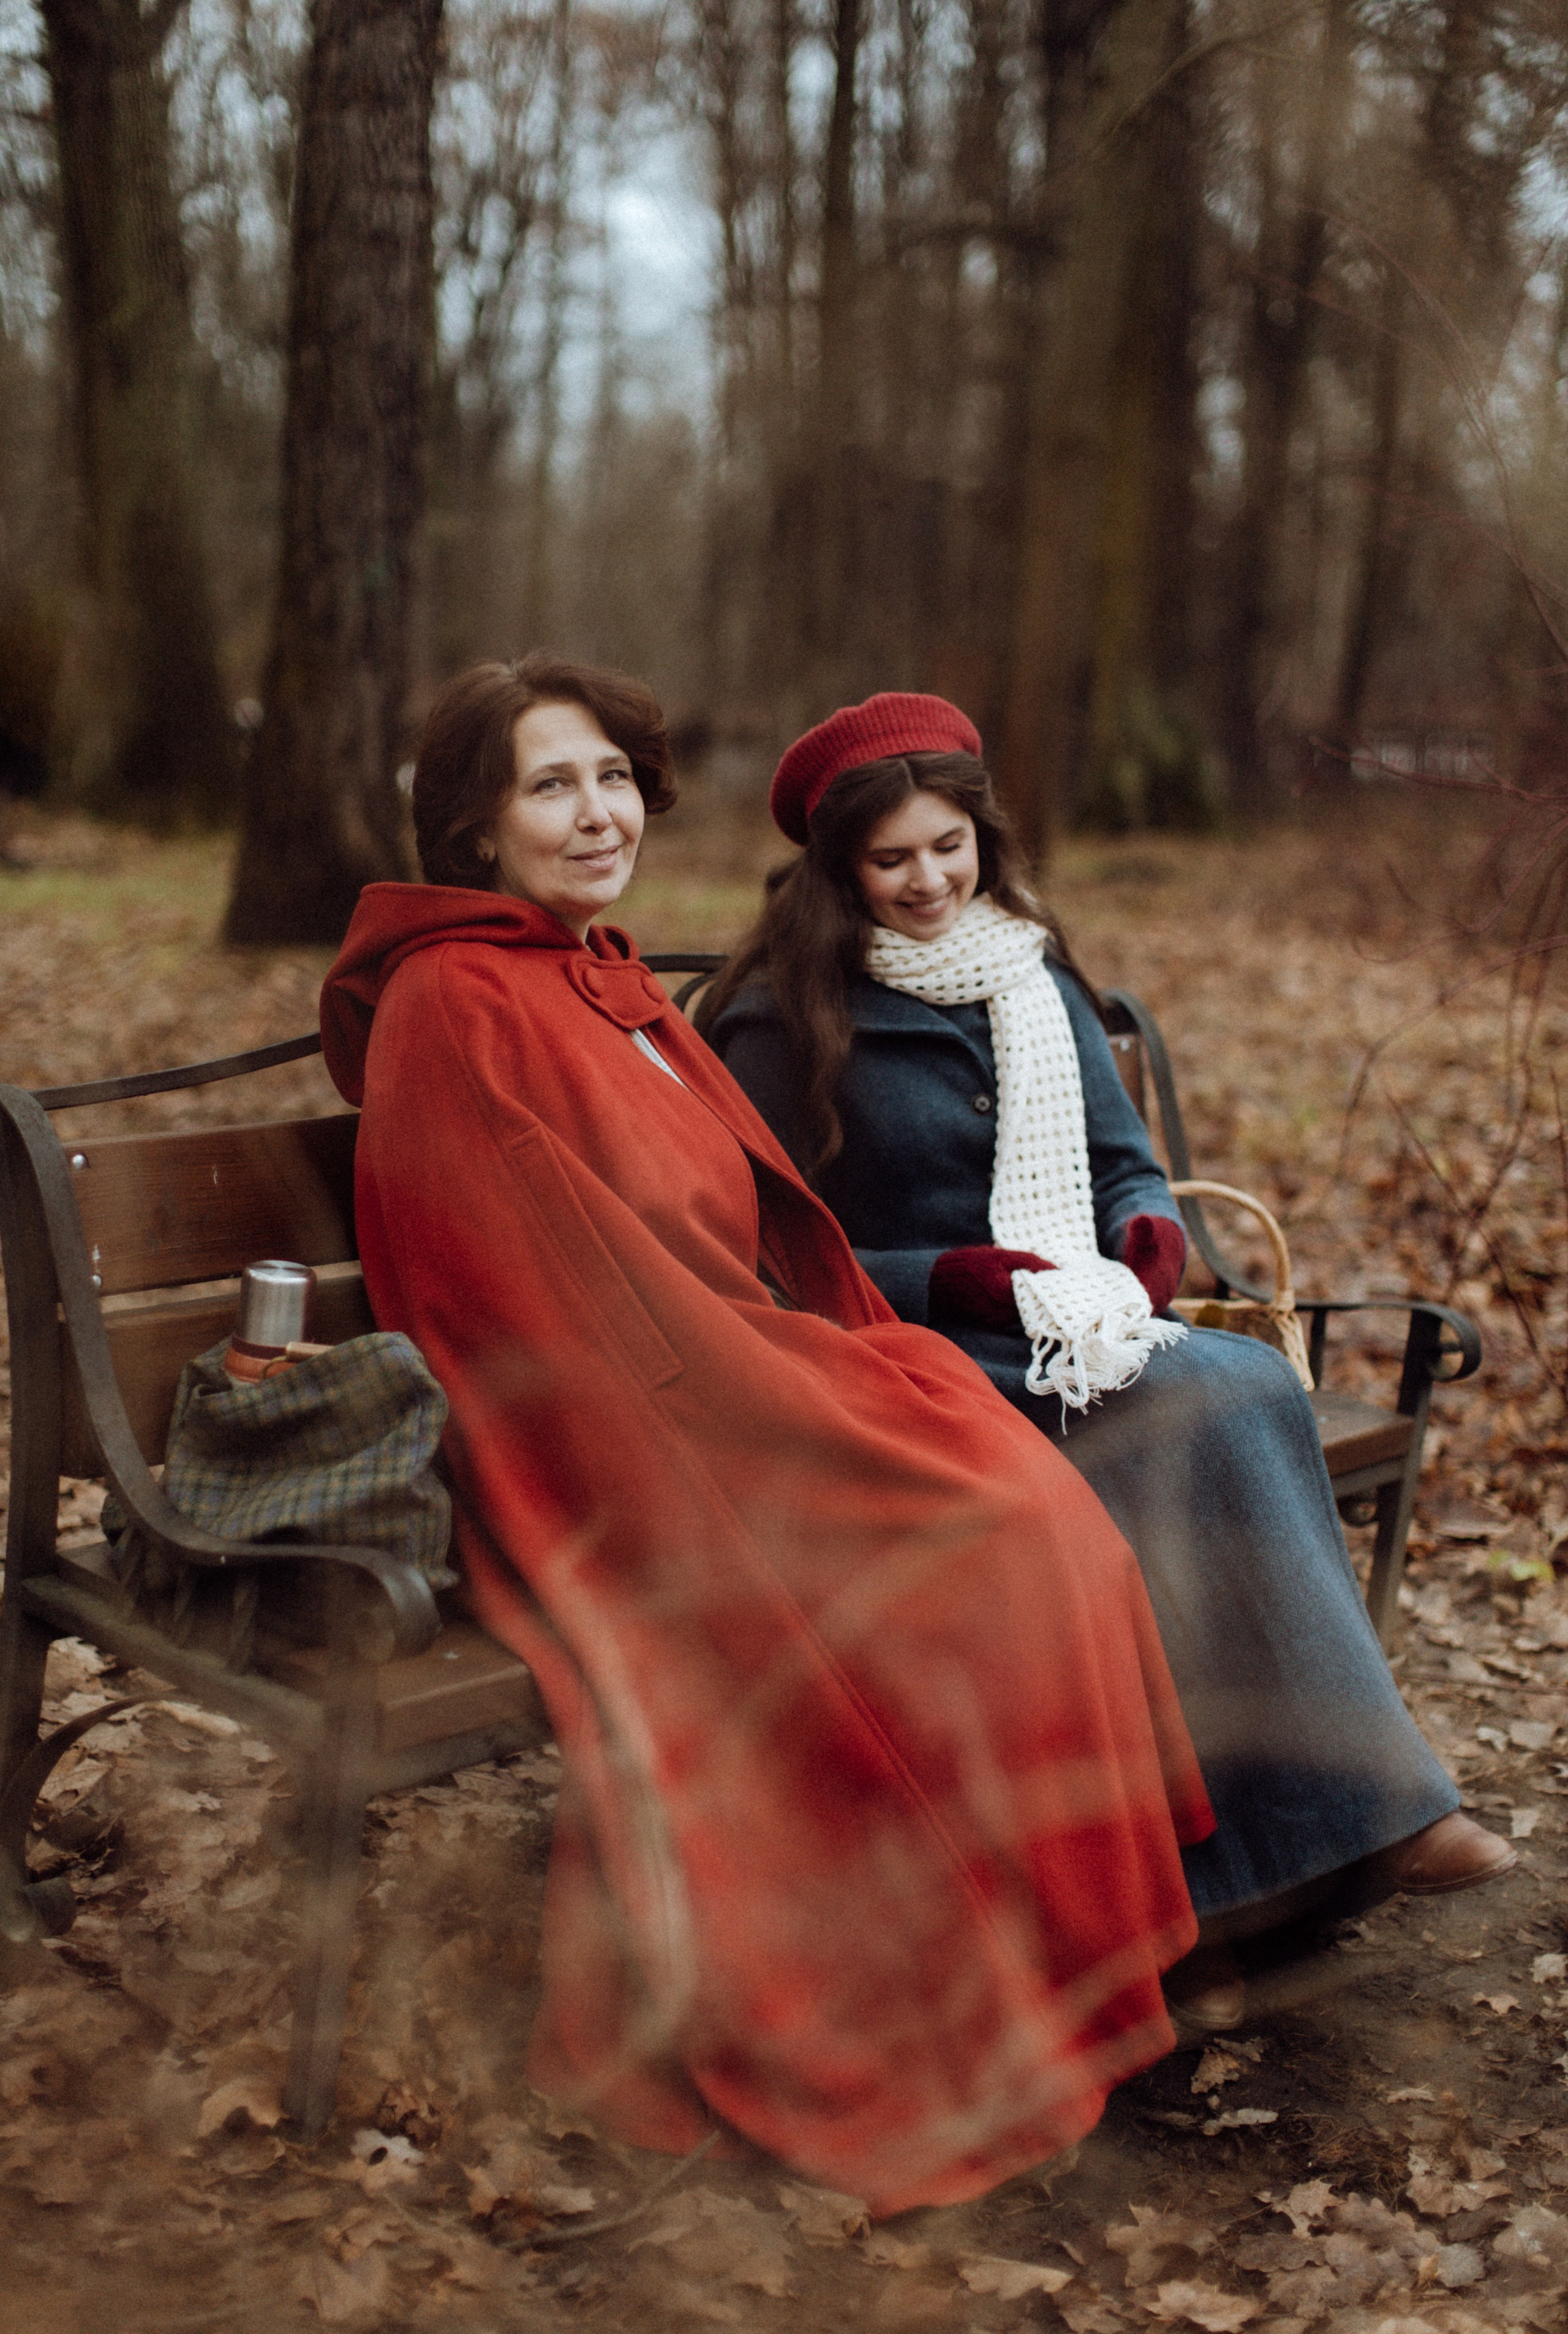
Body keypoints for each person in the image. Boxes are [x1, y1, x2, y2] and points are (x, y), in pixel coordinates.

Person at [319, 655, 1215, 2218]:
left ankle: (1061, 1972)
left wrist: (833, 1356)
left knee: (1032, 1509)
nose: (597, 814)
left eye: (611, 777)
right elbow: (544, 1308)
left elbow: (716, 1230)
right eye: (550, 785)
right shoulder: (457, 1004)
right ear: (472, 825)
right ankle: (946, 2019)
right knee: (985, 1540)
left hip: (729, 1368)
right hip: (632, 1440)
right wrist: (789, 1399)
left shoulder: (579, 970)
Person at [700, 691, 1513, 2012]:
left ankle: (1322, 1832)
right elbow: (770, 1250)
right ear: (838, 867)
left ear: (984, 838)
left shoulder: (1033, 975)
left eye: (949, 846)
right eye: (892, 859)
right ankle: (1327, 1834)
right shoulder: (779, 1019)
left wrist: (1145, 1240)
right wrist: (949, 1275)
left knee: (1233, 1387)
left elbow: (1124, 1163)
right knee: (1202, 1401)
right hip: (909, 1356)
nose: (929, 880)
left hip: (1080, 1323)